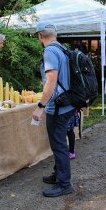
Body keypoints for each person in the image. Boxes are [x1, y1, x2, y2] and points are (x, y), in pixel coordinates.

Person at [32, 21, 75, 197]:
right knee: (60, 143)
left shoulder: (50, 51)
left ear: (39, 36)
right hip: (67, 103)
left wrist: (40, 106)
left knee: (58, 145)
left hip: (57, 106)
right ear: (54, 34)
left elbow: (51, 80)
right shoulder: (61, 49)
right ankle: (59, 175)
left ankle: (64, 184)